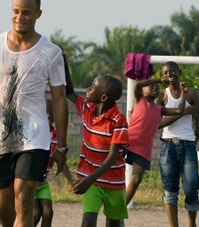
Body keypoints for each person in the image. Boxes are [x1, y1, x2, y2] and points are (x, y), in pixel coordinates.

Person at [0, 0, 68, 227]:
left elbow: (59, 99)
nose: (20, 17)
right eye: (16, 12)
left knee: (24, 194)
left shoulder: (50, 52)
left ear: (38, 14)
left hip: (34, 136)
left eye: (26, 13)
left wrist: (61, 145)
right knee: (2, 206)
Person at [63, 54, 129, 227]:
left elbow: (113, 156)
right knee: (87, 222)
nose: (88, 89)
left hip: (113, 181)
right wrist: (63, 61)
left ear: (104, 97)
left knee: (113, 223)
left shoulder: (118, 120)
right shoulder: (86, 108)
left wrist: (89, 179)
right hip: (91, 179)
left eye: (93, 87)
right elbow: (69, 92)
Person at [124, 77, 187, 206]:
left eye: (157, 87)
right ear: (143, 91)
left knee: (136, 180)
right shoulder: (138, 99)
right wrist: (158, 80)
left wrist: (183, 93)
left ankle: (120, 209)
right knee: (111, 169)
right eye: (151, 86)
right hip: (127, 141)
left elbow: (180, 110)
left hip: (143, 149)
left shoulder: (159, 109)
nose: (155, 88)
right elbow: (138, 85)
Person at [155, 61, 199, 227]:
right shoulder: (162, 96)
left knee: (191, 188)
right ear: (163, 76)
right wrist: (185, 111)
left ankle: (192, 223)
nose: (169, 75)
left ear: (179, 71)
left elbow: (198, 113)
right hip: (168, 146)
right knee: (170, 190)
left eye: (172, 71)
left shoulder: (191, 93)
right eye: (165, 73)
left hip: (188, 144)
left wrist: (197, 136)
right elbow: (158, 124)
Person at [34, 99, 74, 227]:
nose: (49, 116)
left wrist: (70, 180)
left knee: (48, 212)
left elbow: (60, 159)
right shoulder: (32, 132)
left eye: (52, 113)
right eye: (45, 112)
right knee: (34, 215)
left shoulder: (55, 136)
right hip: (28, 182)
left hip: (42, 182)